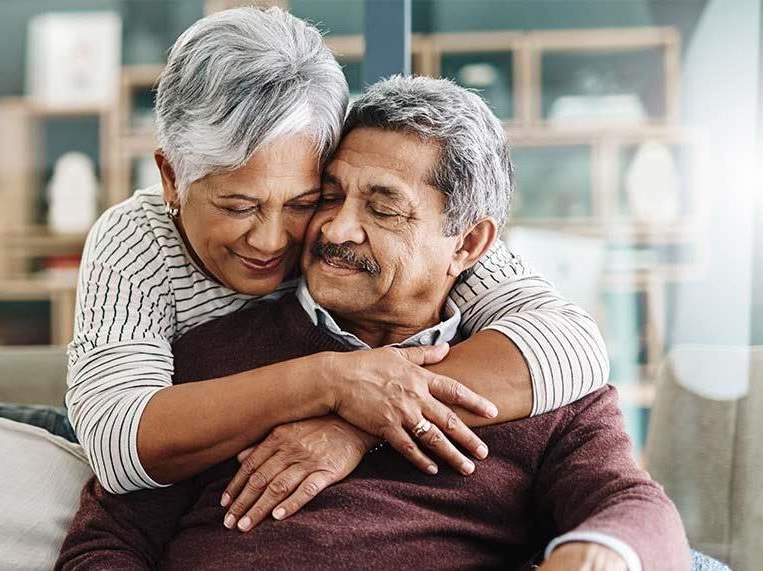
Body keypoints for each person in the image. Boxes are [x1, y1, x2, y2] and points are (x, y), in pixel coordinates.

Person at [57, 75, 688, 571]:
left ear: (467, 245)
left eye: (384, 209)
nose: (334, 229)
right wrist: (335, 387)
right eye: (327, 197)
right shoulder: (208, 364)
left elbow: (636, 510)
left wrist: (599, 555)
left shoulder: (538, 381)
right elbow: (106, 543)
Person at [66, 7, 610, 498]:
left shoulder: (361, 228)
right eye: (237, 206)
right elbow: (115, 447)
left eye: (305, 201)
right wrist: (330, 381)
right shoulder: (136, 242)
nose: (271, 240)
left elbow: (572, 345)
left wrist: (358, 420)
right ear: (171, 179)